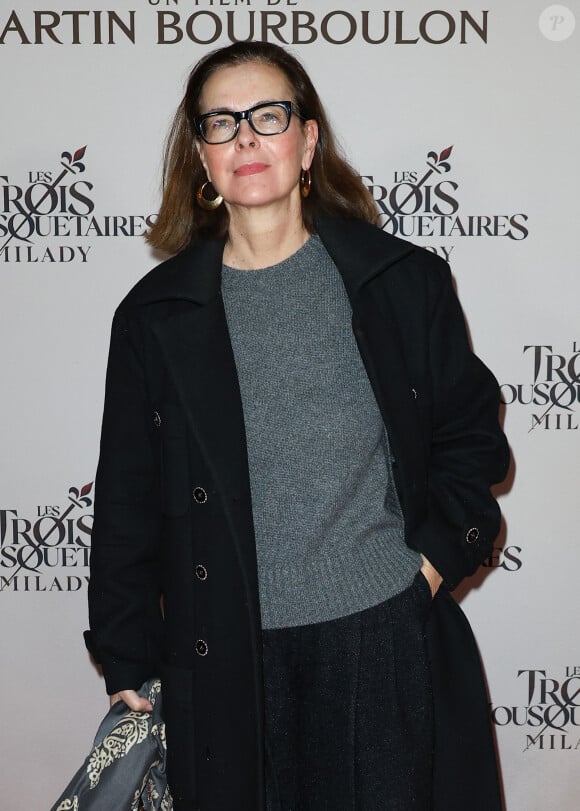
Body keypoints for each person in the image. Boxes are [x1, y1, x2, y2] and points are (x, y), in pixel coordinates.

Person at [85, 40, 510, 811]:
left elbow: (471, 439)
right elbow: (124, 504)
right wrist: (124, 658)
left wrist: (429, 570)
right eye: (220, 122)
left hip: (377, 641)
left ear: (307, 140)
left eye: (267, 115)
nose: (245, 137)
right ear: (201, 156)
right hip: (221, 658)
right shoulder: (154, 317)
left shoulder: (399, 282)